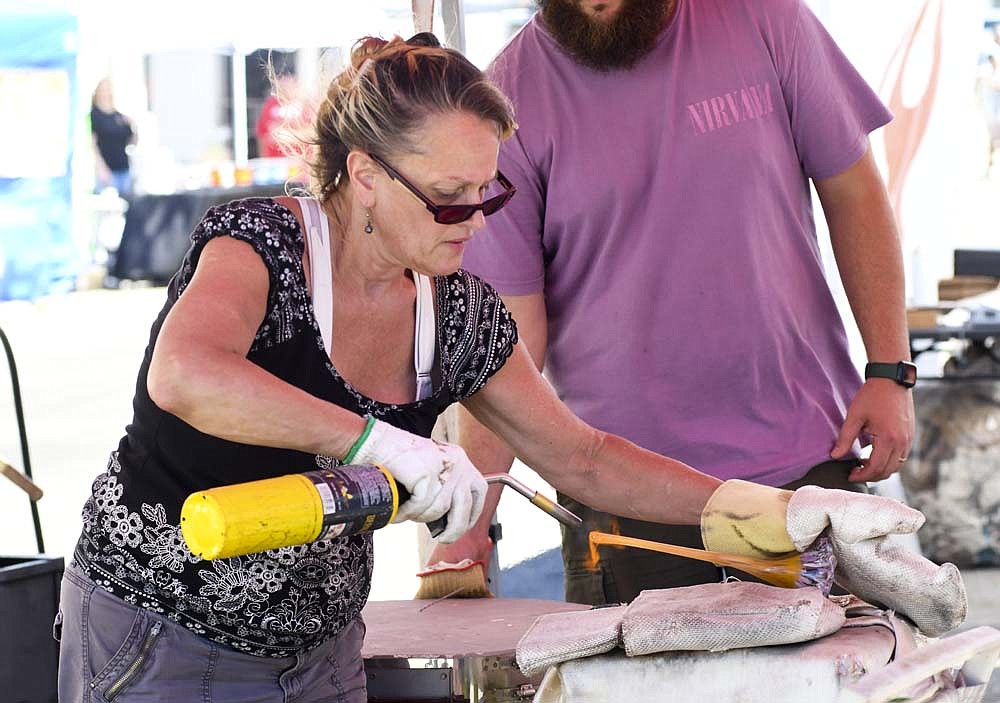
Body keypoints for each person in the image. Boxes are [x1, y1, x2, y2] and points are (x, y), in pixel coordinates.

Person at [57, 34, 730, 703]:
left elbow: (584, 459)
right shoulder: (262, 247)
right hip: (162, 636)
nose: (474, 222)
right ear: (367, 176)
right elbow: (183, 373)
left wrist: (749, 504)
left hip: (325, 651)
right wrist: (376, 442)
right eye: (448, 197)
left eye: (486, 193)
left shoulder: (460, 312)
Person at [419, 0, 917, 606]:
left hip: (807, 467)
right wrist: (473, 520)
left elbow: (855, 192)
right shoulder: (503, 99)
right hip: (624, 501)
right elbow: (506, 338)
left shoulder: (767, 20)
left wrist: (891, 371)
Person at [90, 77, 136, 197]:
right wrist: (101, 167)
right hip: (107, 172)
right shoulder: (94, 115)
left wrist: (134, 126)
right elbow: (91, 144)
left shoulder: (120, 117)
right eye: (103, 89)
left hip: (124, 169)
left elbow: (132, 142)